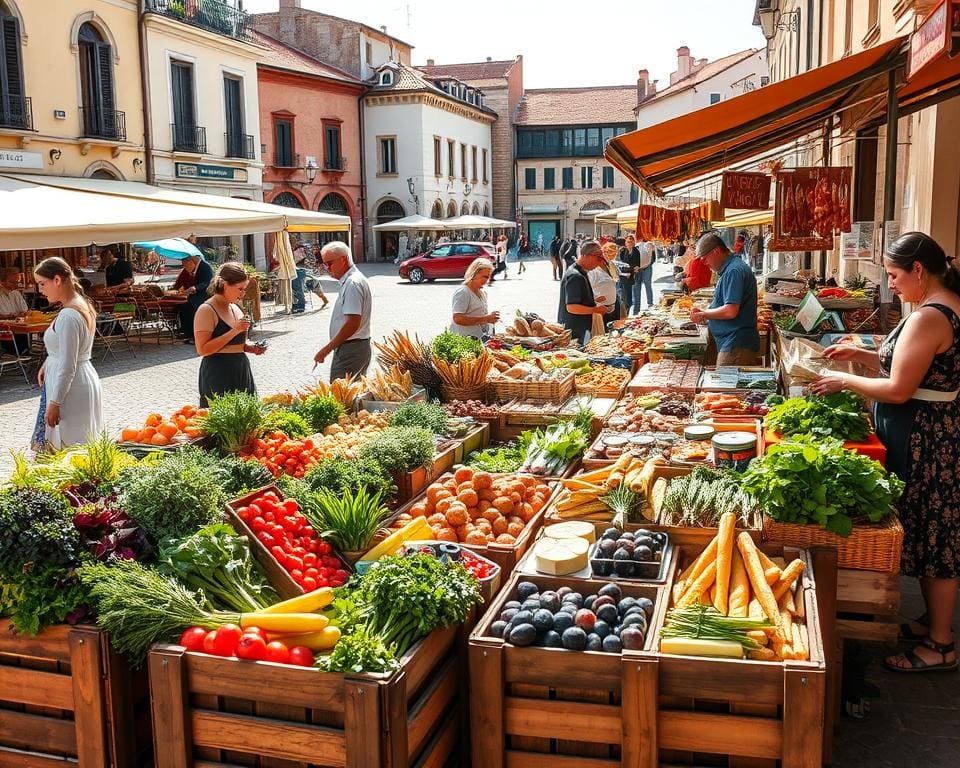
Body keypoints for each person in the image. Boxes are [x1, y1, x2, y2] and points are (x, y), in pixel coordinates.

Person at [810, 232, 960, 674]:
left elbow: (899, 388)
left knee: (936, 538)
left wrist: (845, 380)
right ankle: (934, 623)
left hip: (924, 438)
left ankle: (941, 643)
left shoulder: (931, 316)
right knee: (930, 530)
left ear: (918, 270)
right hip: (929, 431)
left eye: (894, 275)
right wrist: (861, 354)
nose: (890, 283)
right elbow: (911, 369)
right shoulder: (942, 304)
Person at [33, 257, 103, 450]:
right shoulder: (80, 304)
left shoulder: (69, 315)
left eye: (42, 284)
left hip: (71, 387)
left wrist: (55, 402)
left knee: (70, 447)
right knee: (78, 445)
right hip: (80, 378)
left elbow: (67, 365)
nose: (41, 290)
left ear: (57, 280)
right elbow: (69, 350)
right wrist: (49, 361)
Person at [194, 262, 266, 407]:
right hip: (218, 371)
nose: (242, 294)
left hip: (240, 368)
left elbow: (238, 343)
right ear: (225, 284)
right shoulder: (206, 310)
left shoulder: (236, 307)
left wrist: (251, 347)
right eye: (240, 289)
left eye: (244, 289)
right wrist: (235, 330)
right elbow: (202, 349)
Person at [689, 232, 760, 366]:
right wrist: (707, 312)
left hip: (736, 344)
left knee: (725, 385)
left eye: (705, 259)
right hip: (732, 341)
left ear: (716, 251)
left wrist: (704, 314)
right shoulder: (731, 268)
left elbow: (730, 311)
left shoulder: (733, 271)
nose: (705, 264)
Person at [313, 242, 372, 381]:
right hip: (353, 347)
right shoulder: (352, 281)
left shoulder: (352, 283)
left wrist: (326, 350)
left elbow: (352, 323)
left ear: (343, 259)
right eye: (325, 264)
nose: (327, 268)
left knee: (341, 396)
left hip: (351, 348)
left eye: (330, 263)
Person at [558, 239, 607, 345]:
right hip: (575, 330)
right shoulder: (576, 276)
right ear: (587, 255)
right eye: (598, 260)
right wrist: (595, 309)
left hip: (579, 328)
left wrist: (591, 300)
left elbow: (577, 298)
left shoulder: (579, 272)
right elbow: (572, 307)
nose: (599, 264)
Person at [451, 258, 500, 338]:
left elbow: (479, 315)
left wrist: (490, 318)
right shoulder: (463, 292)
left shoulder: (482, 293)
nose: (487, 280)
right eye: (484, 277)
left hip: (478, 338)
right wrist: (486, 319)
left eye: (488, 277)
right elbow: (458, 319)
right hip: (464, 341)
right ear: (474, 274)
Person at [177, 254, 214, 344]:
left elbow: (207, 282)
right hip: (195, 294)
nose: (185, 267)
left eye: (186, 264)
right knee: (182, 306)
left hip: (204, 294)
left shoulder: (205, 267)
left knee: (191, 306)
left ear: (191, 260)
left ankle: (194, 335)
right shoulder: (194, 268)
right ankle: (187, 332)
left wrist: (195, 288)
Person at [590, 241, 621, 323]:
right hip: (601, 309)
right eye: (609, 253)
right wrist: (594, 299)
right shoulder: (593, 270)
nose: (612, 256)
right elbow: (586, 288)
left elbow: (614, 281)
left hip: (613, 306)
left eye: (614, 254)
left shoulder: (611, 265)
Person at [0, 267, 29, 355]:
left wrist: (24, 313)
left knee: (23, 342)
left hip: (18, 328)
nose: (15, 285)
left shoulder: (16, 293)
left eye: (16, 282)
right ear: (2, 281)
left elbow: (25, 310)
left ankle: (23, 358)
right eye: (12, 282)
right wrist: (8, 316)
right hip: (3, 331)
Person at [618, 235, 642, 315]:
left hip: (631, 276)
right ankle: (624, 314)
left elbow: (637, 265)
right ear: (625, 243)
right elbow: (620, 264)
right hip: (622, 276)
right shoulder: (622, 251)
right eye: (628, 242)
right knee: (623, 296)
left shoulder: (636, 251)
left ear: (634, 243)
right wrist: (631, 268)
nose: (630, 243)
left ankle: (628, 313)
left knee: (629, 297)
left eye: (631, 242)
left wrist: (632, 269)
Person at [633, 239, 655, 310]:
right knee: (637, 286)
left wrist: (647, 264)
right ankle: (637, 304)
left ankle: (650, 303)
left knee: (647, 285)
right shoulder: (636, 246)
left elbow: (652, 257)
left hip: (647, 268)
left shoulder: (649, 244)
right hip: (638, 269)